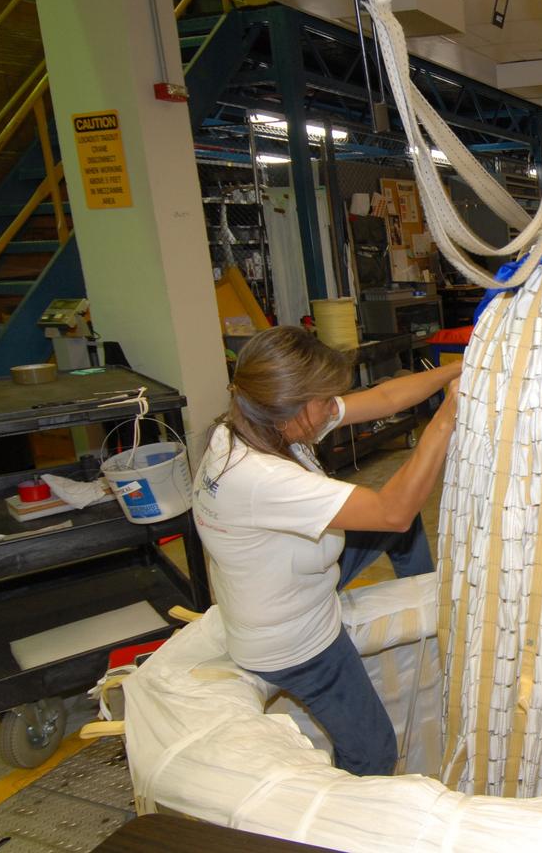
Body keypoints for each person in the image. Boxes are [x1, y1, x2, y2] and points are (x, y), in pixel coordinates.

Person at [191, 325, 460, 776]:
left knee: (398, 515)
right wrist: (449, 416)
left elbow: (385, 400)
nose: (332, 405)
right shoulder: (259, 476)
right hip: (293, 641)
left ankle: (423, 594)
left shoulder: (256, 421)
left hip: (288, 574)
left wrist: (455, 369)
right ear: (292, 406)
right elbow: (392, 511)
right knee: (373, 748)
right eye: (324, 399)